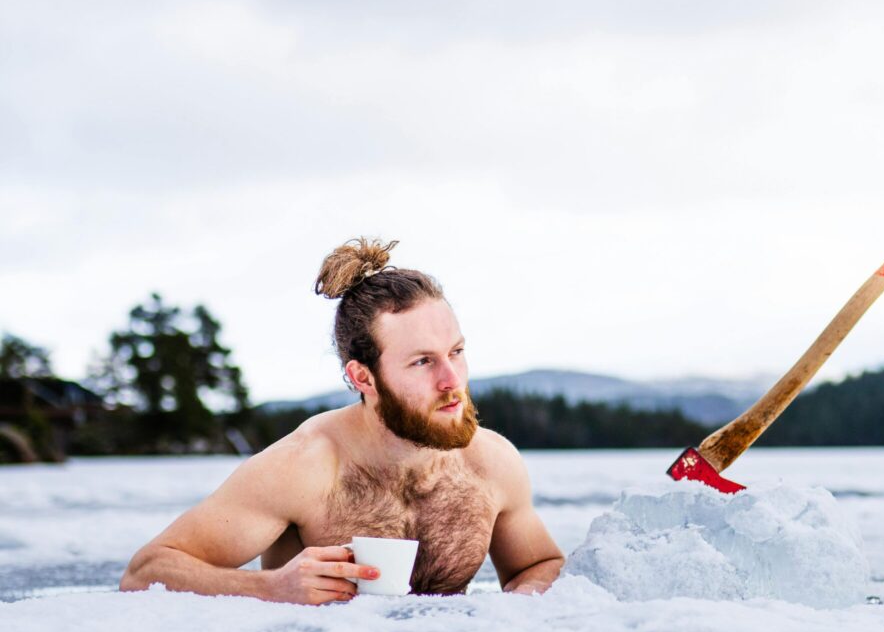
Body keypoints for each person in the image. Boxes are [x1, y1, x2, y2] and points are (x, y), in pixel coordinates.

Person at [120, 238, 565, 604]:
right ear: (362, 377)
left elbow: (537, 565)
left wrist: (518, 611)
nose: (452, 381)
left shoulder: (492, 462)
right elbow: (146, 572)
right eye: (422, 362)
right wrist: (269, 588)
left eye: (456, 353)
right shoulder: (304, 467)